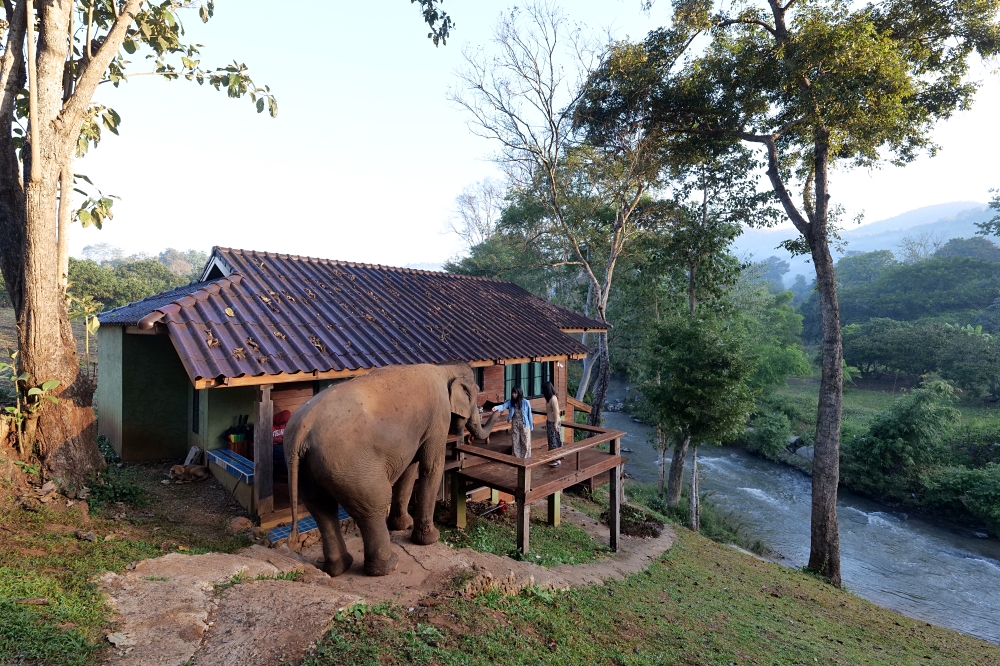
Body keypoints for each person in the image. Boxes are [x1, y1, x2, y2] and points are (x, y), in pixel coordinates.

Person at [493, 385, 533, 458]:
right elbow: (503, 406)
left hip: (524, 424)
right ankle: (516, 458)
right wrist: (496, 407)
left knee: (525, 441)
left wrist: (531, 426)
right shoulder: (510, 402)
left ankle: (525, 458)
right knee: (515, 440)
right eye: (513, 393)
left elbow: (529, 415)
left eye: (515, 393)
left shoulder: (526, 402)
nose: (513, 394)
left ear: (519, 393)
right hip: (515, 423)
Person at [541, 381, 563, 467]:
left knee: (555, 441)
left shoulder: (553, 399)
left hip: (554, 422)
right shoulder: (549, 398)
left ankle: (558, 460)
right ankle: (553, 458)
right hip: (550, 422)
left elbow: (557, 412)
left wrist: (556, 425)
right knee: (551, 440)